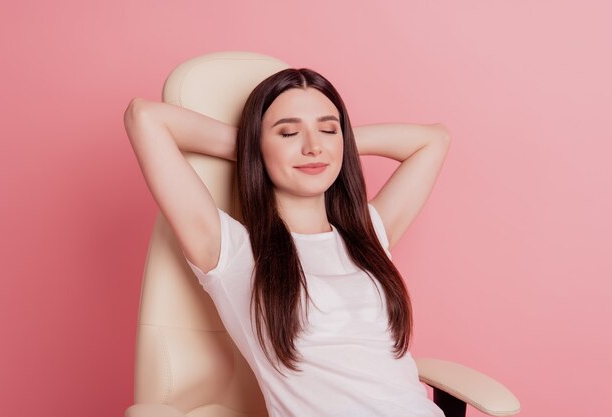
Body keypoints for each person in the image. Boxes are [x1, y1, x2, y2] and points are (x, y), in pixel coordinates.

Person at [124, 67, 450, 417]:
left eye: (328, 129)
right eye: (289, 133)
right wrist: (254, 146)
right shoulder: (232, 250)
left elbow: (434, 140)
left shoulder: (368, 234)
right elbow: (143, 117)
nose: (313, 147)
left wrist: (331, 144)